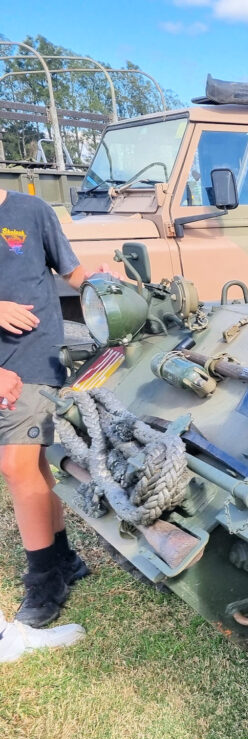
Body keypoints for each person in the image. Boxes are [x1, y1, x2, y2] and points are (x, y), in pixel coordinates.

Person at [0, 188, 90, 625]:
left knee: (18, 466)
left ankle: (44, 580)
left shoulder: (30, 211)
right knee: (31, 465)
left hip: (34, 356)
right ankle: (63, 560)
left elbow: (72, 271)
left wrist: (102, 286)